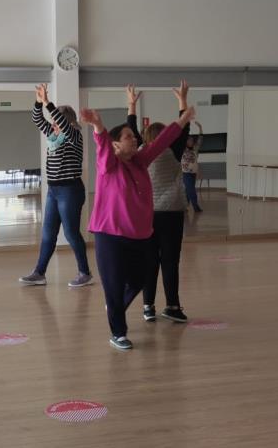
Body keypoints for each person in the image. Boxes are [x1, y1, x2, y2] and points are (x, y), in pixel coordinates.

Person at [80, 104, 195, 350]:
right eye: (128, 137)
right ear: (116, 145)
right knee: (113, 284)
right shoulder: (108, 165)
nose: (135, 139)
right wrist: (98, 126)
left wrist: (183, 120)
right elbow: (101, 146)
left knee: (139, 279)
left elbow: (162, 142)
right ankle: (118, 333)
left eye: (134, 136)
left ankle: (115, 306)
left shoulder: (141, 161)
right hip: (109, 234)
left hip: (140, 235)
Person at [126, 81, 193, 323]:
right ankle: (173, 306)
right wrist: (182, 101)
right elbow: (183, 128)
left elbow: (130, 129)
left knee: (149, 261)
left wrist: (131, 105)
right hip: (172, 212)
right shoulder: (173, 150)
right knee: (170, 261)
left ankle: (148, 307)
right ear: (166, 136)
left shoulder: (139, 153)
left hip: (148, 215)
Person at [18, 84, 93, 287]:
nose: (53, 124)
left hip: (70, 190)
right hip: (53, 191)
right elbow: (37, 119)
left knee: (70, 233)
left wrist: (48, 103)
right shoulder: (54, 137)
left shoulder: (73, 135)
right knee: (48, 233)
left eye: (56, 121)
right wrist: (38, 101)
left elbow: (62, 123)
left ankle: (85, 273)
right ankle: (39, 273)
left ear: (66, 121)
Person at [181, 126, 204, 213]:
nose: (190, 142)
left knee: (188, 191)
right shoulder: (183, 150)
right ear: (185, 142)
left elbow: (200, 139)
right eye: (188, 140)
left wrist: (200, 128)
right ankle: (195, 207)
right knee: (191, 190)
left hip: (193, 173)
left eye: (191, 140)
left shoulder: (195, 149)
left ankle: (185, 206)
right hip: (185, 173)